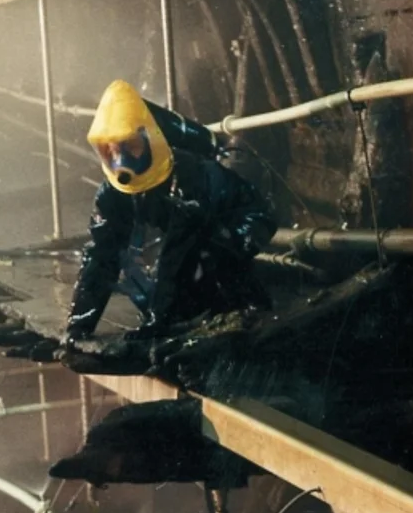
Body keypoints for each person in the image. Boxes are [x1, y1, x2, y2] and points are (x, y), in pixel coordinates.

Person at [65, 79, 276, 343]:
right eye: (110, 150)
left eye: (130, 146)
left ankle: (241, 317)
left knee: (204, 246)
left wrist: (228, 241)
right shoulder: (113, 194)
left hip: (225, 300)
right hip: (167, 307)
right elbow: (101, 256)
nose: (121, 162)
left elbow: (260, 217)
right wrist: (78, 326)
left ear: (150, 139)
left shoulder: (196, 178)